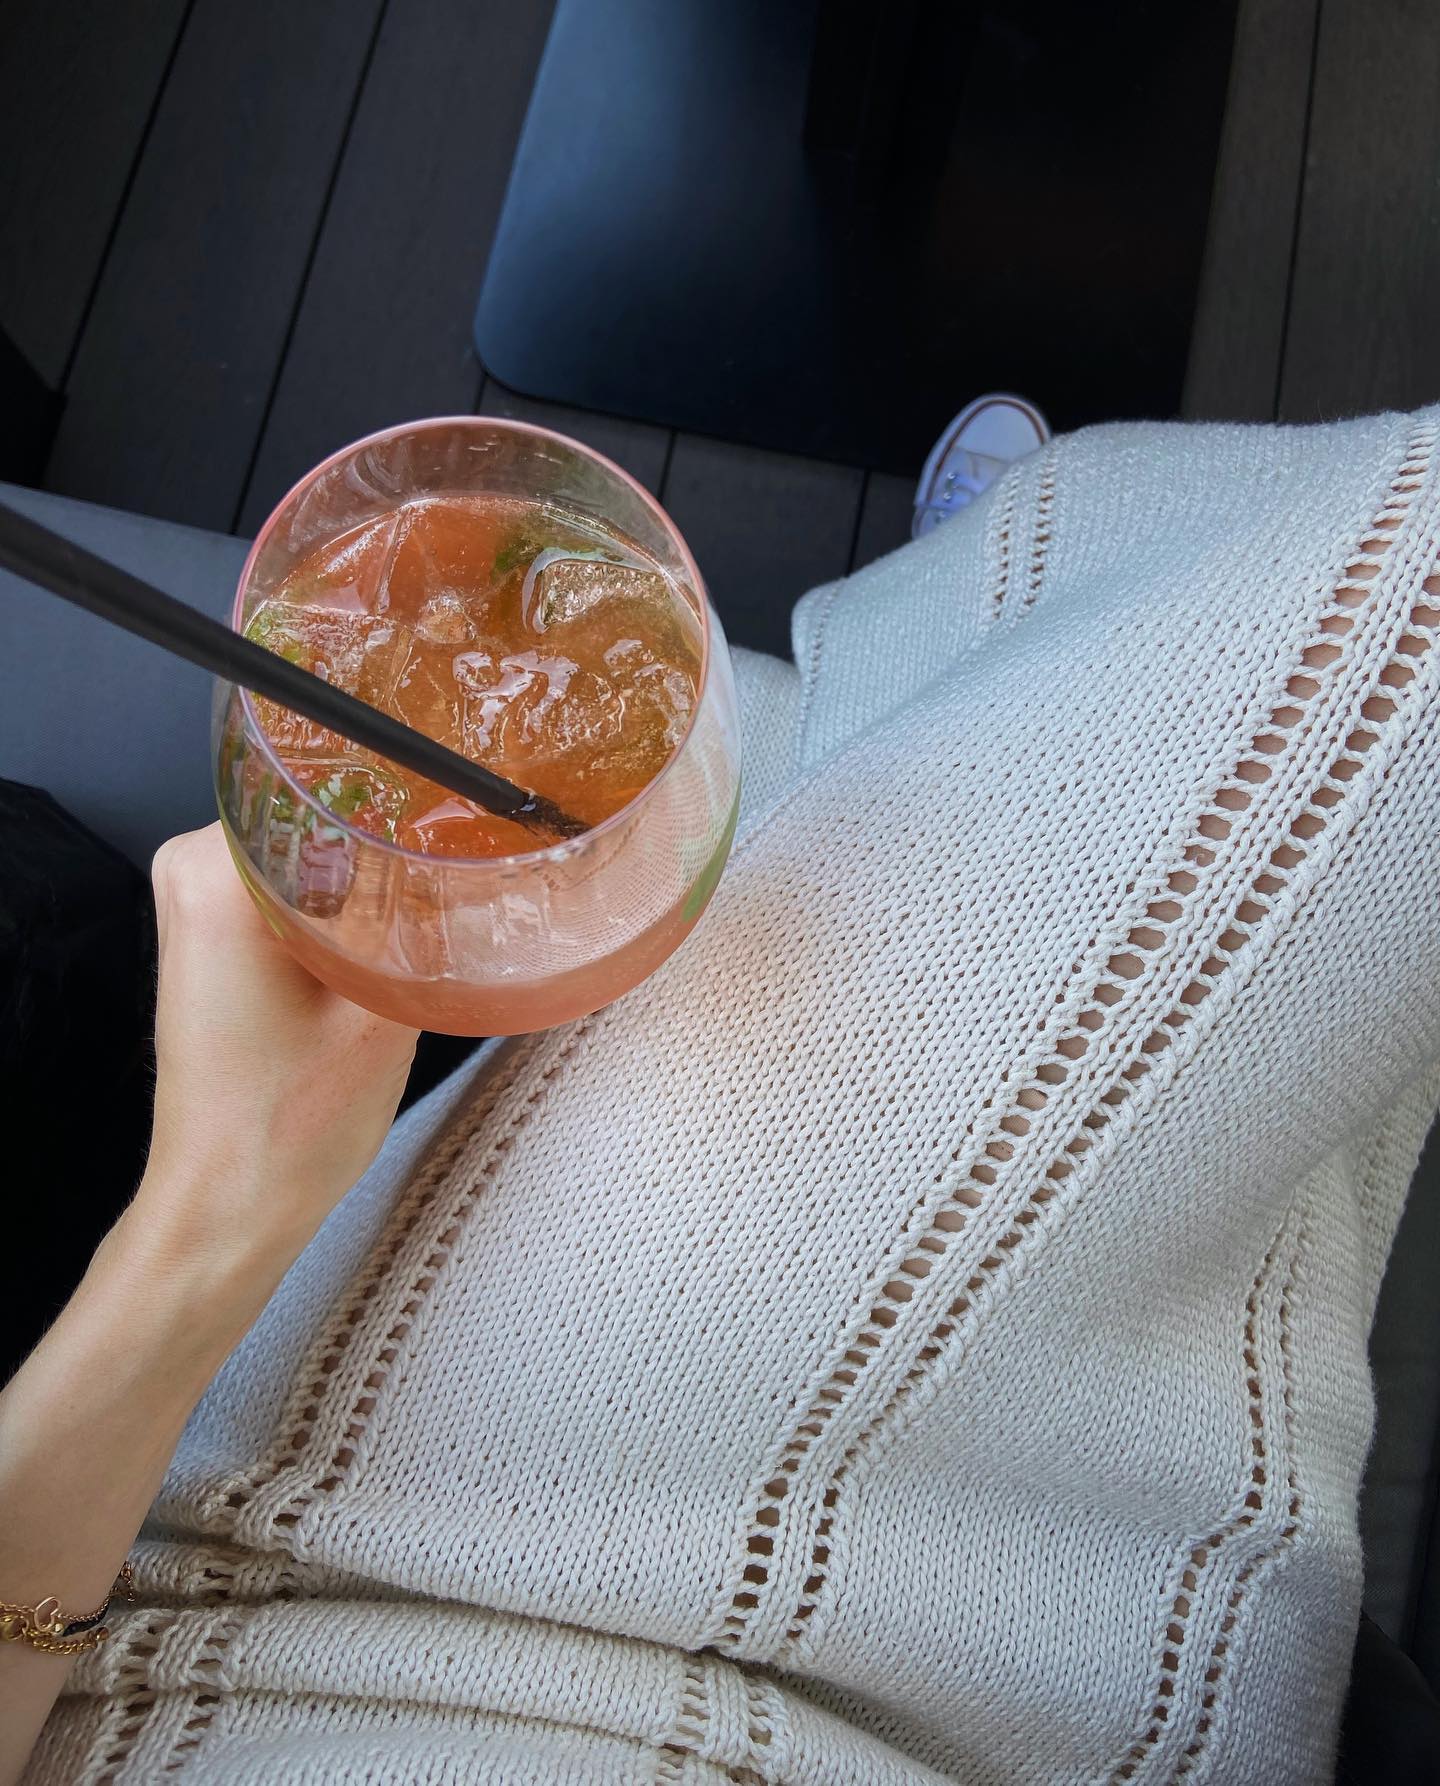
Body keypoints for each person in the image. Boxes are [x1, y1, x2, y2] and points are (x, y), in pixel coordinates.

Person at [3, 400, 1438, 1783]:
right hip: (326, 1648)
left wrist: (204, 1222)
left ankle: (978, 638)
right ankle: (983, 635)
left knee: (856, 827)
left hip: (104, 1524)